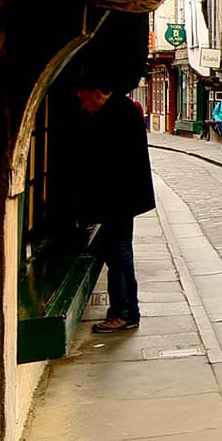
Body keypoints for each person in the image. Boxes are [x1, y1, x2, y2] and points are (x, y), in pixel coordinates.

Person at [76, 73, 156, 333]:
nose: (83, 106)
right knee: (119, 254)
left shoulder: (115, 116)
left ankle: (124, 312)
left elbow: (106, 168)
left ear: (98, 93)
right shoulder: (123, 110)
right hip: (122, 200)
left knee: (119, 255)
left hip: (118, 201)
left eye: (85, 100)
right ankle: (124, 310)